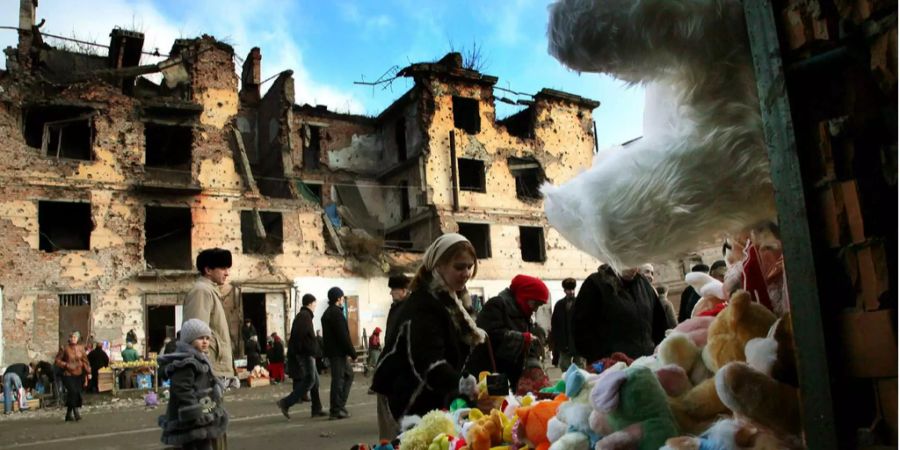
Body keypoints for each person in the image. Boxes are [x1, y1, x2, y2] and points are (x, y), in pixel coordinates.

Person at [372, 233, 485, 435]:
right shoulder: (424, 305)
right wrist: (462, 385)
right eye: (459, 267)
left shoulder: (454, 301)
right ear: (438, 266)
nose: (466, 273)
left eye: (469, 266)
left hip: (430, 395)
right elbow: (429, 363)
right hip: (404, 395)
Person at [571, 265, 669, 363]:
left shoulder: (644, 285)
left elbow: (659, 326)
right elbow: (581, 331)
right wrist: (603, 361)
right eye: (627, 261)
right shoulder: (595, 283)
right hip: (611, 368)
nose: (633, 268)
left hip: (646, 364)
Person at [467, 275, 549, 389]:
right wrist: (522, 338)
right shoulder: (496, 305)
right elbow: (488, 336)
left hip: (511, 376)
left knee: (511, 405)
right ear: (524, 296)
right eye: (535, 304)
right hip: (492, 373)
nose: (535, 309)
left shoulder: (522, 314)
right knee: (496, 405)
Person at [158, 319, 228, 450]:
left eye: (207, 338)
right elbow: (181, 389)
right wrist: (194, 411)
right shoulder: (186, 362)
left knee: (204, 441)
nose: (205, 341)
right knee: (196, 443)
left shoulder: (200, 358)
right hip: (192, 416)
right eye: (200, 338)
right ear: (189, 340)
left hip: (203, 407)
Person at [183, 248, 235, 381]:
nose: (227, 273)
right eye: (223, 268)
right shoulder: (201, 291)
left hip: (212, 369)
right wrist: (202, 367)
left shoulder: (211, 291)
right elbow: (196, 334)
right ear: (208, 270)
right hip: (207, 369)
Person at [277, 294, 326, 419]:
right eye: (315, 303)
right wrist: (303, 351)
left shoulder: (304, 316)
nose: (315, 306)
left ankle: (316, 408)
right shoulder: (304, 316)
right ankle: (286, 402)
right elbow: (299, 336)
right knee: (310, 380)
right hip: (306, 354)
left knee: (315, 381)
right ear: (310, 303)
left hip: (307, 353)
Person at [321, 287, 357, 420]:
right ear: (338, 299)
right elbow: (343, 336)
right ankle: (336, 409)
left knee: (348, 375)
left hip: (334, 352)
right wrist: (353, 353)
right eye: (342, 298)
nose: (343, 300)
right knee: (338, 380)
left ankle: (339, 406)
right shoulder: (336, 314)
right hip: (338, 353)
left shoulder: (328, 313)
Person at [54, 331, 90, 422]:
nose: (73, 339)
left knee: (75, 392)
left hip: (79, 374)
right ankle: (76, 412)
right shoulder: (64, 348)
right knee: (73, 391)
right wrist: (66, 365)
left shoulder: (81, 348)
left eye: (75, 337)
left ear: (77, 339)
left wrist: (88, 370)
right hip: (68, 374)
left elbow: (85, 360)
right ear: (69, 338)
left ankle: (68, 415)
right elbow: (57, 361)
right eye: (72, 337)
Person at [550, 278, 584, 369]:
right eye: (569, 290)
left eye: (573, 289)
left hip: (578, 343)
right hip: (564, 343)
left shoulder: (581, 304)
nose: (571, 292)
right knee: (564, 366)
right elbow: (555, 325)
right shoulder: (559, 305)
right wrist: (556, 342)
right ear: (564, 290)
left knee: (580, 369)